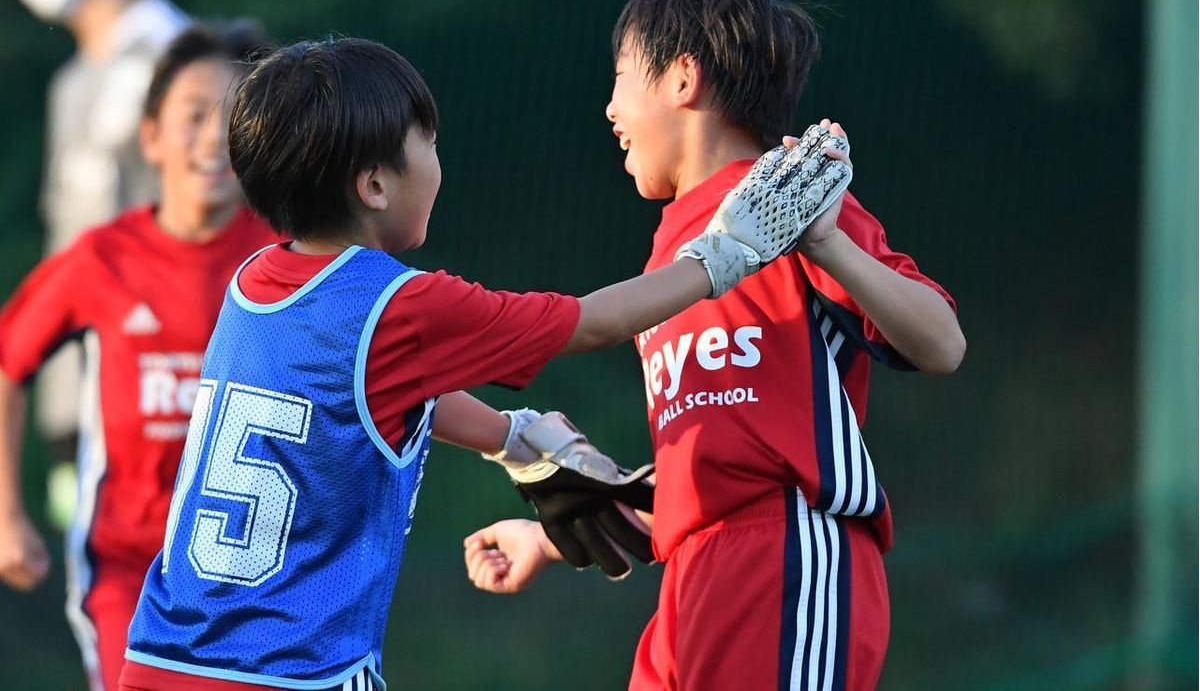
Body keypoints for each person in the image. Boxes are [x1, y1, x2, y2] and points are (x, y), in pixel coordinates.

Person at [118, 36, 838, 691]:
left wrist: (511, 437)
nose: (438, 161)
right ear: (374, 185)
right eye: (427, 143)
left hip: (156, 657)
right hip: (289, 672)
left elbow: (365, 395)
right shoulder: (399, 304)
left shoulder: (252, 283)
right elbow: (595, 323)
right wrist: (731, 249)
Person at [463, 0, 966, 691]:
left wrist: (824, 239)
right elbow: (708, 468)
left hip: (789, 556)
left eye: (621, 77)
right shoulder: (670, 253)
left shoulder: (782, 195)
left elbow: (943, 343)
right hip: (692, 573)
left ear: (682, 78)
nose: (608, 108)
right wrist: (549, 537)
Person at [0, 22, 276, 691]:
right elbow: (8, 364)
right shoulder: (102, 259)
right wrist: (5, 513)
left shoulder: (286, 258)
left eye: (235, 119)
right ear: (150, 136)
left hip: (259, 570)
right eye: (195, 115)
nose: (215, 137)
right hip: (127, 565)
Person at [9, 0, 190, 529]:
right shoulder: (73, 82)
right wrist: (61, 410)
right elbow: (70, 257)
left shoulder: (186, 65)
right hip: (88, 398)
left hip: (176, 393)